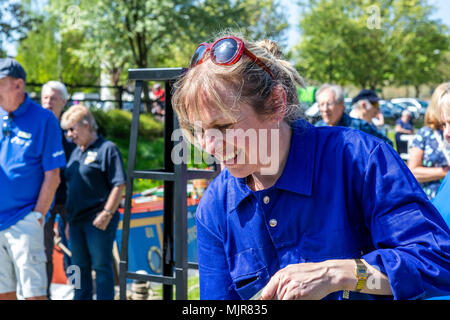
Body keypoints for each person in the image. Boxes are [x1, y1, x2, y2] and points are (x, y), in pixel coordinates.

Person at [171, 34, 450, 300]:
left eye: (223, 126)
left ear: (277, 103)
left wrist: (342, 273)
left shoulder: (359, 158)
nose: (208, 145)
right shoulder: (215, 206)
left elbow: (436, 264)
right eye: (199, 130)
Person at [0, 58, 66, 300]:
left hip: (24, 220)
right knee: (3, 292)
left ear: (18, 85)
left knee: (33, 295)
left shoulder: (44, 119)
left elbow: (53, 175)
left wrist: (37, 215)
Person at [60, 104, 126, 300]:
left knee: (101, 266)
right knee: (78, 267)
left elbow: (119, 183)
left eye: (72, 129)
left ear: (87, 125)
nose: (70, 135)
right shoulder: (76, 152)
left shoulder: (107, 149)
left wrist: (107, 213)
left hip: (97, 219)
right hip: (75, 221)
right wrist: (67, 222)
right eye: (67, 131)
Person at [41, 80, 76, 298]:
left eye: (53, 98)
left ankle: (80, 290)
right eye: (45, 97)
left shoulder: (70, 127)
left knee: (75, 248)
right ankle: (44, 294)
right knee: (44, 251)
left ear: (63, 101)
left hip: (69, 198)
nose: (48, 102)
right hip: (44, 198)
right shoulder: (37, 127)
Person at [408, 82, 450, 200]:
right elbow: (413, 171)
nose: (446, 132)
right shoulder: (425, 133)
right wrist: (444, 172)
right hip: (432, 199)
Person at [315, 85, 393, 146]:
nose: (325, 109)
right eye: (321, 104)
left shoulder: (359, 126)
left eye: (329, 104)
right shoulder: (317, 128)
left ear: (342, 105)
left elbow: (387, 145)